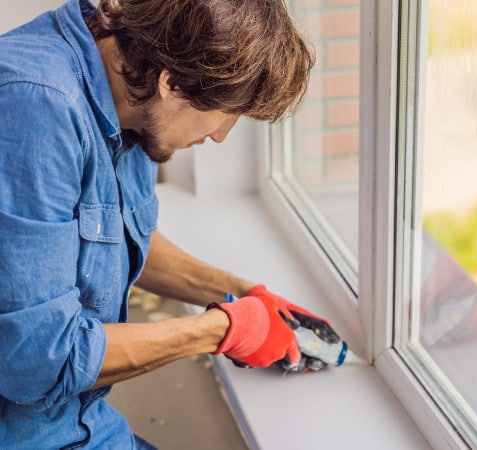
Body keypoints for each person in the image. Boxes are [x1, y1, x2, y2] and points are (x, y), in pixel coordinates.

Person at [0, 0, 339, 448]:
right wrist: (223, 330)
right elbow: (40, 361)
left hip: (74, 419)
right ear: (172, 81)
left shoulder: (127, 82)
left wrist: (240, 292)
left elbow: (103, 235)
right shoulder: (37, 108)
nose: (221, 135)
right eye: (226, 112)